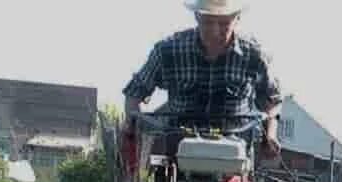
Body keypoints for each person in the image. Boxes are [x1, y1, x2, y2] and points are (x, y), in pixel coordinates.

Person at [121, 0, 283, 161]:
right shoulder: (168, 51)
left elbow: (273, 101)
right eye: (208, 22)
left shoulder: (254, 55)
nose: (214, 31)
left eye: (223, 23)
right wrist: (131, 127)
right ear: (197, 17)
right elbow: (134, 92)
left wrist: (270, 135)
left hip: (234, 151)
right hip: (179, 149)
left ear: (237, 19)